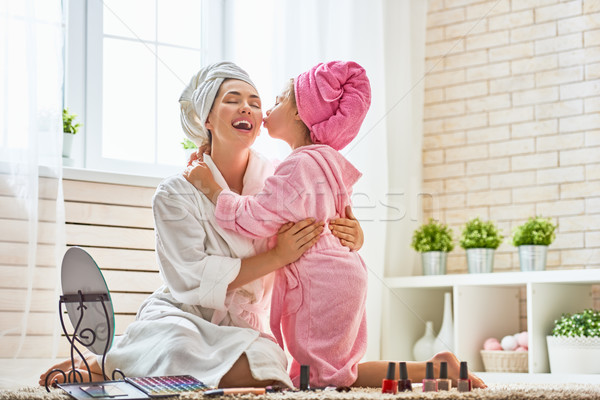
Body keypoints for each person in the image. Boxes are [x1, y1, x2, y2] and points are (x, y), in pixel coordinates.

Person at [40, 61, 486, 390]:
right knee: (182, 348)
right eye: (231, 99)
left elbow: (328, 213)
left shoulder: (280, 173)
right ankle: (109, 364)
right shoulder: (175, 193)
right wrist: (276, 257)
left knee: (273, 372)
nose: (248, 107)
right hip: (182, 318)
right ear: (206, 119)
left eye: (257, 101)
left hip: (244, 327)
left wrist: (356, 232)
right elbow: (191, 280)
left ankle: (113, 366)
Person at [183, 60, 370, 388]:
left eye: (276, 101)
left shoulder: (297, 166)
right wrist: (356, 237)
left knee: (315, 380)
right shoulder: (324, 160)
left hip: (320, 280)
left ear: (300, 113)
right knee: (340, 372)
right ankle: (416, 371)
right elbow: (340, 217)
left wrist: (212, 188)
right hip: (347, 271)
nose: (264, 110)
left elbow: (253, 218)